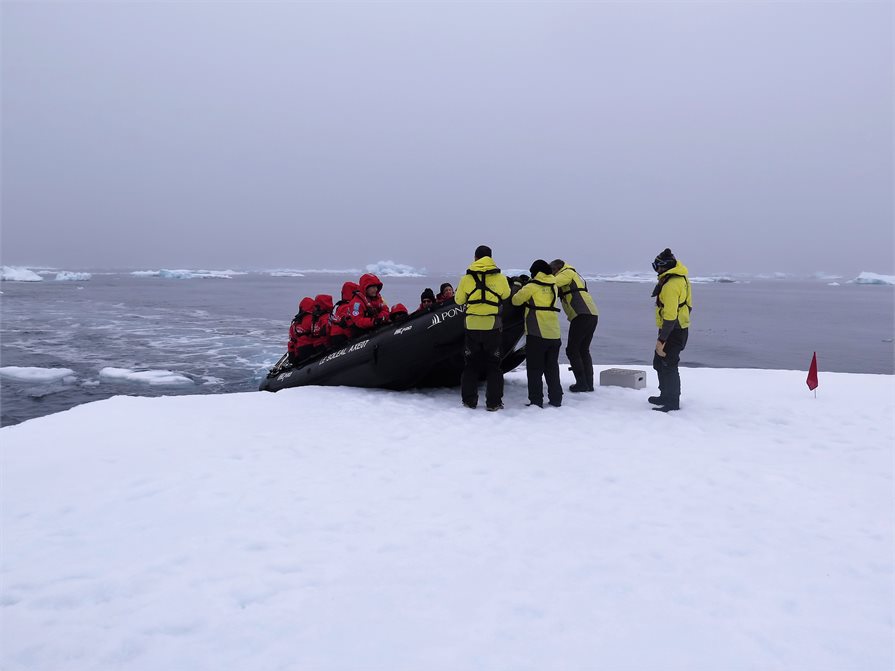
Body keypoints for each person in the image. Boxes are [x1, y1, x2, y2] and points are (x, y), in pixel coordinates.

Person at [455, 244, 511, 411]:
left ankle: (469, 400)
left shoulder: (466, 278)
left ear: (475, 258)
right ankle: (493, 403)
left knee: (471, 364)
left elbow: (459, 300)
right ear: (491, 257)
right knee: (494, 365)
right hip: (492, 327)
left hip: (472, 326)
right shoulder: (500, 277)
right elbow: (506, 295)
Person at [511, 260, 563, 408]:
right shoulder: (554, 286)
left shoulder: (532, 286)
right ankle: (556, 399)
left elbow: (516, 301)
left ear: (535, 272)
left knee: (534, 369)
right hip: (554, 333)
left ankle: (536, 401)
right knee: (552, 368)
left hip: (536, 334)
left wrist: (519, 285)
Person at [650, 248, 692, 412]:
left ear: (664, 266)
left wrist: (662, 340)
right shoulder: (680, 279)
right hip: (676, 328)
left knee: (668, 364)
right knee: (659, 363)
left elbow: (670, 316)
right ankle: (664, 395)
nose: (656, 270)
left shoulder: (671, 285)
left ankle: (672, 401)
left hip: (673, 330)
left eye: (657, 266)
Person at [550, 259, 599, 392]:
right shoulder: (573, 274)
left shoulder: (567, 273)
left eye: (552, 271)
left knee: (572, 350)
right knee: (583, 350)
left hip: (582, 315)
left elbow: (552, 283)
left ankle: (582, 383)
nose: (551, 274)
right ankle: (588, 383)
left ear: (558, 268)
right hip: (591, 314)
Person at [347, 273, 390, 337]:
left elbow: (385, 309)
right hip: (361, 332)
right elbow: (358, 321)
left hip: (375, 326)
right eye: (372, 287)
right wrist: (374, 321)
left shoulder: (378, 298)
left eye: (376, 287)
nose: (375, 289)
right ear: (365, 288)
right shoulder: (356, 303)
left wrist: (380, 318)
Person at [327, 281, 360, 350]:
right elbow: (348, 323)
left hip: (334, 336)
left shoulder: (340, 306)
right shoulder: (349, 306)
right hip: (343, 336)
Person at [287, 297, 318, 365]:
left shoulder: (294, 324)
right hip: (311, 349)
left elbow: (292, 341)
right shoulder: (313, 319)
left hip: (299, 352)